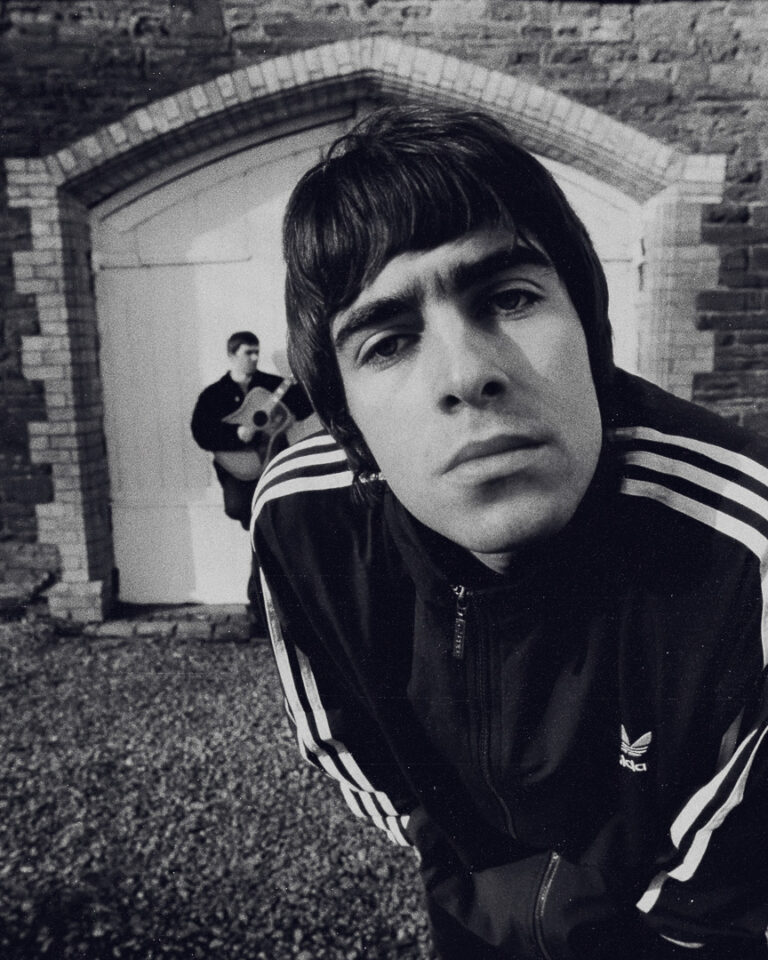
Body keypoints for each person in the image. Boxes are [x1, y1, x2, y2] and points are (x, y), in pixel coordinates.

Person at [250, 105, 768, 959]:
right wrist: (462, 865)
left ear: (591, 329)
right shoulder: (303, 517)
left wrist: (574, 913)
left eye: (510, 297)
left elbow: (732, 891)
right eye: (387, 343)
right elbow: (336, 730)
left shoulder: (744, 542)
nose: (466, 374)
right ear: (347, 424)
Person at [191, 331, 312, 529]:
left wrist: (305, 381)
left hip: (274, 459)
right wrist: (235, 433)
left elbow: (304, 407)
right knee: (238, 506)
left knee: (287, 508)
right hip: (237, 467)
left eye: (257, 352)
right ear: (232, 354)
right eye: (248, 353)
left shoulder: (272, 385)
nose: (255, 357)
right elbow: (201, 431)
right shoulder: (214, 394)